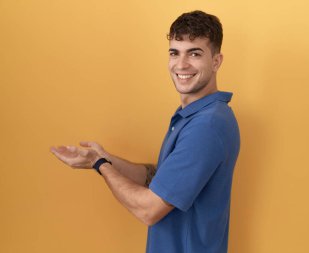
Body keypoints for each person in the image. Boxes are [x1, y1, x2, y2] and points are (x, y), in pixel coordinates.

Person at [51, 10, 240, 253]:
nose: (181, 64)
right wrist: (104, 159)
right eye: (175, 53)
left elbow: (149, 209)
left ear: (216, 61)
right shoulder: (193, 116)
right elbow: (158, 179)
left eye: (194, 53)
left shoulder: (207, 125)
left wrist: (100, 164)